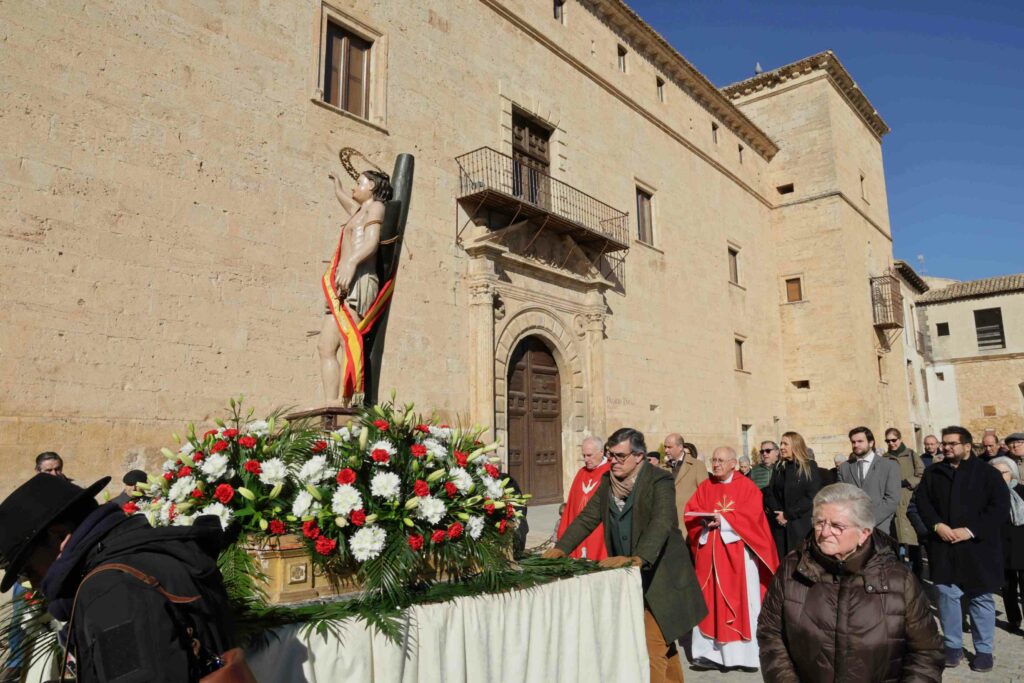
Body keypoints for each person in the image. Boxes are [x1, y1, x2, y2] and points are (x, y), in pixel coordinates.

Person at [0, 474, 237, 682]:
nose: (34, 583)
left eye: (28, 569)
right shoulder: (145, 553)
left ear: (58, 536)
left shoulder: (111, 591)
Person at [545, 428, 707, 683]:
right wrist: (561, 547)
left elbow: (662, 521)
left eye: (620, 456)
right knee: (664, 646)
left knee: (650, 649)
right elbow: (587, 518)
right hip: (633, 580)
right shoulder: (608, 482)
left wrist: (639, 557)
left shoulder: (659, 481)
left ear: (639, 456)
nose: (613, 461)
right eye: (611, 456)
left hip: (663, 577)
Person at [758, 484, 943, 681]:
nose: (825, 532)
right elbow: (770, 635)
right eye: (820, 523)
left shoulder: (898, 580)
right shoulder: (791, 570)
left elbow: (926, 653)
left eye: (837, 526)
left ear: (864, 533)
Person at [912, 426, 1010, 672]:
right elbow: (921, 502)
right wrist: (937, 526)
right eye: (944, 443)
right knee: (946, 596)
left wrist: (970, 531)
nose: (946, 448)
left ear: (967, 446)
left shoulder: (988, 474)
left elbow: (998, 508)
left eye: (951, 444)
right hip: (944, 546)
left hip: (979, 548)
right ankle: (952, 646)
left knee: (980, 598)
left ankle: (984, 650)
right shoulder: (933, 473)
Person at [684, 447, 778, 671]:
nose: (715, 464)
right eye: (714, 460)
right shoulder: (707, 486)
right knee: (708, 602)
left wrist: (725, 520)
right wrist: (704, 522)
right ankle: (708, 653)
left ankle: (744, 657)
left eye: (721, 461)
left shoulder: (747, 487)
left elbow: (753, 518)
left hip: (737, 556)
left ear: (733, 464)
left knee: (740, 602)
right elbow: (691, 512)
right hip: (709, 556)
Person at [318, 168, 392, 403]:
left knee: (347, 339)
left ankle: (347, 403)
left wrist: (349, 263)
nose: (354, 187)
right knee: (325, 346)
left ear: (371, 185)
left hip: (360, 278)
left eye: (358, 183)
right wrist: (337, 185)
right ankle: (330, 404)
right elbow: (345, 199)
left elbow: (371, 242)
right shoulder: (358, 211)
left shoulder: (376, 208)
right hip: (342, 283)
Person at [763, 432, 821, 559]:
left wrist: (788, 515)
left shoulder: (808, 467)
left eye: (785, 444)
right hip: (780, 527)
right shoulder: (779, 467)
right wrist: (777, 513)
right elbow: (770, 492)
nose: (782, 447)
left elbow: (812, 496)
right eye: (781, 444)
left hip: (800, 526)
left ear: (795, 446)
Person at [555, 436, 610, 560]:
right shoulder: (581, 473)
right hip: (579, 528)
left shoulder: (611, 471)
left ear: (601, 452)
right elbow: (571, 505)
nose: (586, 459)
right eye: (584, 455)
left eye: (589, 455)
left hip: (599, 529)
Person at [838, 427, 901, 533]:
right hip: (851, 529)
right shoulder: (845, 467)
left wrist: (867, 522)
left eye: (860, 441)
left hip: (880, 527)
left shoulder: (889, 465)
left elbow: (892, 499)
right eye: (853, 442)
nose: (856, 445)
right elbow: (841, 497)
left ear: (871, 443)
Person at [884, 428, 925, 576]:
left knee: (913, 542)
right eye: (888, 441)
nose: (891, 443)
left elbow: (921, 473)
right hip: (893, 501)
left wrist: (908, 482)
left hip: (909, 500)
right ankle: (902, 574)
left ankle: (918, 576)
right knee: (898, 541)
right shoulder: (885, 457)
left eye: (893, 440)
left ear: (899, 439)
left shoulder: (911, 454)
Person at [990, 456, 1024, 632]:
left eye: (1002, 472)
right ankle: (1014, 619)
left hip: (1022, 545)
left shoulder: (1022, 491)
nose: (999, 476)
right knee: (1008, 587)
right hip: (1001, 547)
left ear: (1012, 473)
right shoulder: (988, 496)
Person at [663, 433, 707, 527]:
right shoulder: (662, 468)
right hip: (666, 524)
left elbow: (705, 495)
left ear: (680, 447)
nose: (666, 450)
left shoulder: (697, 466)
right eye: (665, 447)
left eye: (669, 447)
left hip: (688, 523)